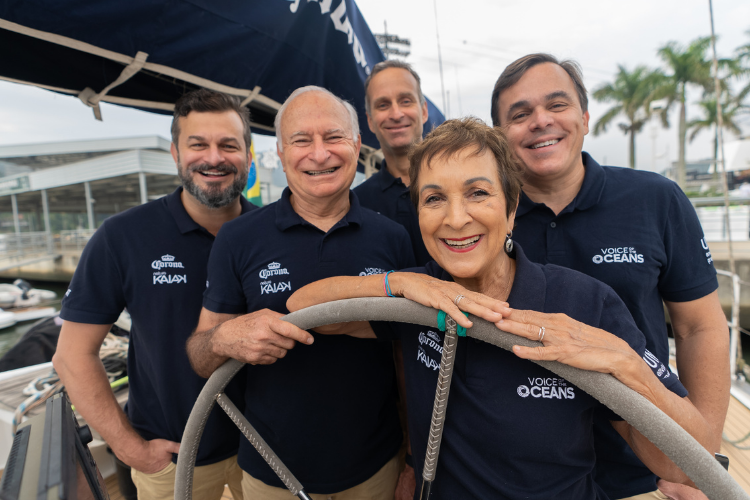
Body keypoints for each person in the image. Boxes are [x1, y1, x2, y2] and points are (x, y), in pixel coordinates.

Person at [286, 118, 713, 499]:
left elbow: (685, 465)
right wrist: (397, 282)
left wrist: (629, 367)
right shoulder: (414, 299)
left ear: (511, 210)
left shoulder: (587, 304)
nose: (455, 218)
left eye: (477, 193)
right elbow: (301, 305)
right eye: (434, 199)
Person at [490, 53, 729, 500]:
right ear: (501, 138)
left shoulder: (656, 199)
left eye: (556, 105)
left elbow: (700, 326)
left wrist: (699, 458)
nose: (540, 121)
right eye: (519, 115)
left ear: (583, 118)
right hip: (524, 477)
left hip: (643, 474)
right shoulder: (481, 220)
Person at [186, 86, 415, 499]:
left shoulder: (394, 237)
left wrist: (412, 457)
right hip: (271, 474)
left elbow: (406, 357)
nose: (319, 153)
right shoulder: (238, 238)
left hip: (378, 468)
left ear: (357, 144)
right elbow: (201, 356)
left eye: (333, 137)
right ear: (280, 152)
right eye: (302, 140)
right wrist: (226, 337)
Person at [53, 89, 255, 500]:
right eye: (198, 144)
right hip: (175, 460)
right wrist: (133, 450)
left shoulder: (271, 232)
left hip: (267, 455)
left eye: (228, 145)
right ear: (175, 154)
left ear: (249, 156)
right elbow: (72, 355)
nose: (214, 158)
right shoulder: (123, 237)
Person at [355, 60, 432, 266]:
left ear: (424, 111)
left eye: (406, 101)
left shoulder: (461, 185)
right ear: (370, 120)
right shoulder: (355, 204)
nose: (396, 114)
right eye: (383, 105)